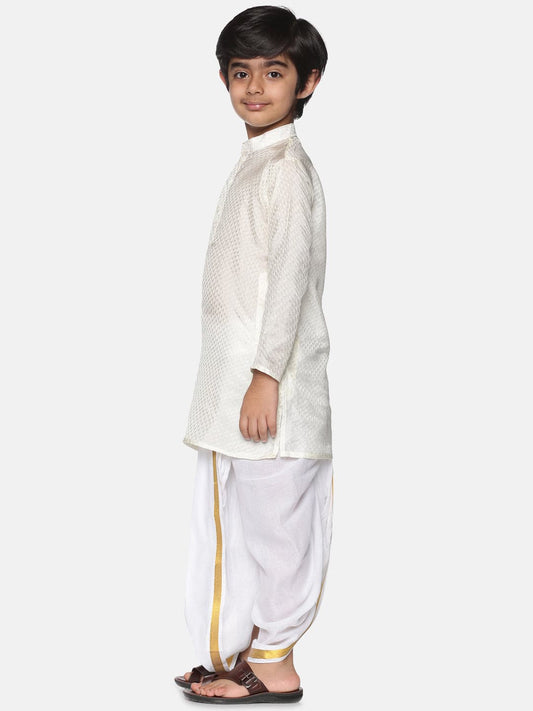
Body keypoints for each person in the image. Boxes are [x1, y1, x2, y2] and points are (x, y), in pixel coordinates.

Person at [176, 5, 334, 704]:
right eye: (241, 72)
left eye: (274, 72)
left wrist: (265, 376)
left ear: (307, 82)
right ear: (223, 79)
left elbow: (291, 279)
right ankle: (245, 652)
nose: (254, 87)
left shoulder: (286, 171)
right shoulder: (257, 163)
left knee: (277, 529)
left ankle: (274, 664)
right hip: (234, 387)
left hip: (268, 393)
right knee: (242, 527)